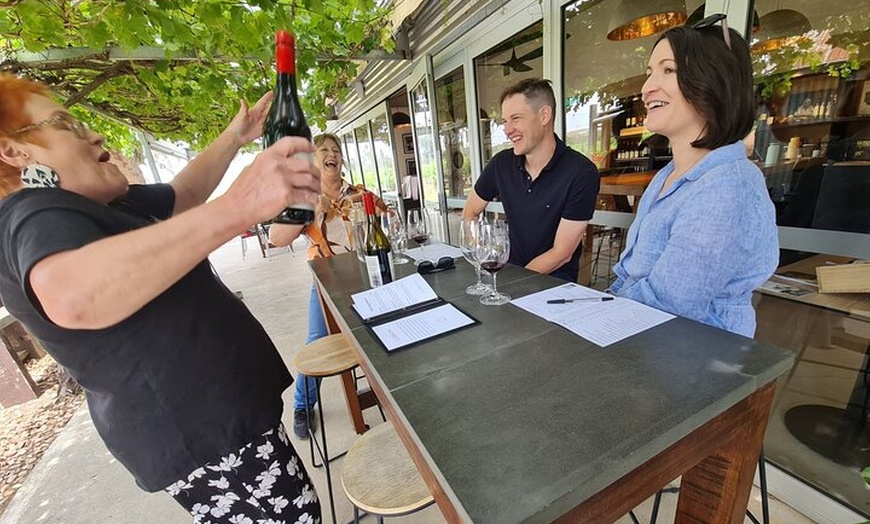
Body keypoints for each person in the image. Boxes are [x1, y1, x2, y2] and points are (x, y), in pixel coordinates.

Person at [0, 73, 322, 523]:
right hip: (205, 433)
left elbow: (182, 195)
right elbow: (73, 296)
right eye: (67, 125)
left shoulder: (104, 206)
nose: (95, 135)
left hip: (222, 426)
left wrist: (235, 136)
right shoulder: (33, 211)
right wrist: (241, 205)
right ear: (15, 152)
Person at [609, 15, 779, 338]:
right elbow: (629, 275)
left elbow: (670, 304)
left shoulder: (728, 185)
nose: (646, 88)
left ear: (712, 81)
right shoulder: (667, 176)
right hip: (640, 336)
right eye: (649, 73)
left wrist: (596, 312)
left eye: (668, 70)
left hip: (693, 352)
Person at [269, 133, 388, 439]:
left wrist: (386, 215)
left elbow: (390, 219)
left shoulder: (359, 193)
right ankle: (302, 405)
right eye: (323, 150)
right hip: (327, 283)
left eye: (336, 150)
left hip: (366, 279)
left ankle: (389, 392)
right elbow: (276, 238)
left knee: (386, 331)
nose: (331, 154)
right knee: (317, 342)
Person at [462, 78, 600, 282]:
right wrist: (481, 256)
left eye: (516, 118)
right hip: (507, 276)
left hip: (553, 285)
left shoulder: (581, 172)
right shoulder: (501, 164)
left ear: (544, 115)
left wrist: (513, 283)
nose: (507, 130)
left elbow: (562, 253)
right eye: (505, 121)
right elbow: (470, 212)